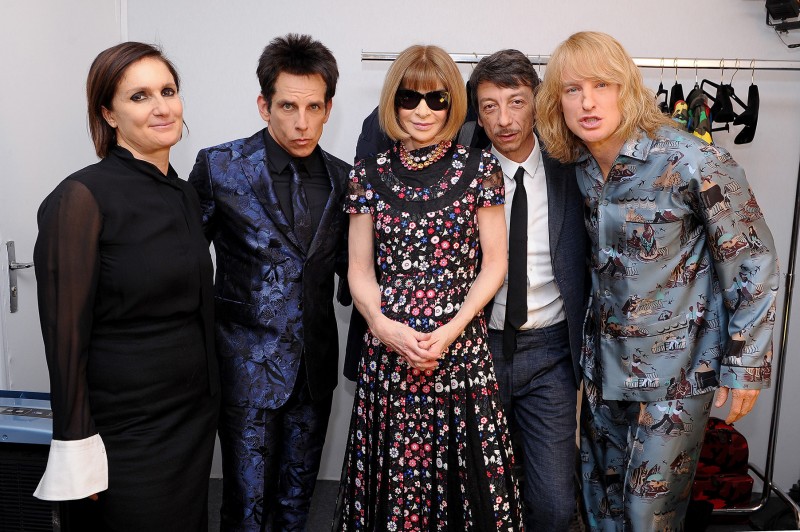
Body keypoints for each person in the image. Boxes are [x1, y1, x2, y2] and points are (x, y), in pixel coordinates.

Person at [535, 31, 780, 531]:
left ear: (628, 88)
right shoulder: (576, 166)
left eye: (602, 84)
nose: (587, 102)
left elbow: (753, 261)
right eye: (572, 89)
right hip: (603, 373)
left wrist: (745, 365)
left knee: (650, 515)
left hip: (677, 375)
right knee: (601, 505)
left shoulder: (693, 160)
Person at [334, 44, 521, 531]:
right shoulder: (367, 174)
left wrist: (453, 329)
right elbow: (359, 270)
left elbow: (496, 264)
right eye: (410, 98)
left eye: (437, 99)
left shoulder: (482, 169)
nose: (422, 111)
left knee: (469, 486)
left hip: (459, 352)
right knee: (394, 482)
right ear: (392, 102)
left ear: (452, 103)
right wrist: (382, 326)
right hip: (389, 352)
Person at [33, 42, 219, 530]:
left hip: (190, 421)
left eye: (168, 91)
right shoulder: (80, 198)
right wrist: (76, 448)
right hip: (125, 433)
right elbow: (64, 339)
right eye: (139, 96)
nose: (161, 107)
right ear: (107, 114)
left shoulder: (182, 191)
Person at [188, 34, 350, 531]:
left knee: (296, 505)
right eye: (287, 106)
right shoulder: (220, 167)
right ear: (264, 105)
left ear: (328, 109)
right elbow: (185, 263)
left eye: (313, 107)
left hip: (314, 369)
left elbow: (356, 270)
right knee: (245, 507)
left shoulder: (346, 179)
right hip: (243, 368)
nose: (301, 123)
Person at [467, 49, 587, 531]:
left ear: (537, 102)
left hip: (551, 354)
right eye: (490, 106)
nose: (504, 119)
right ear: (477, 114)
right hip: (477, 347)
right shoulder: (464, 173)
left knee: (556, 505)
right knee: (477, 494)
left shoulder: (572, 166)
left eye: (515, 102)